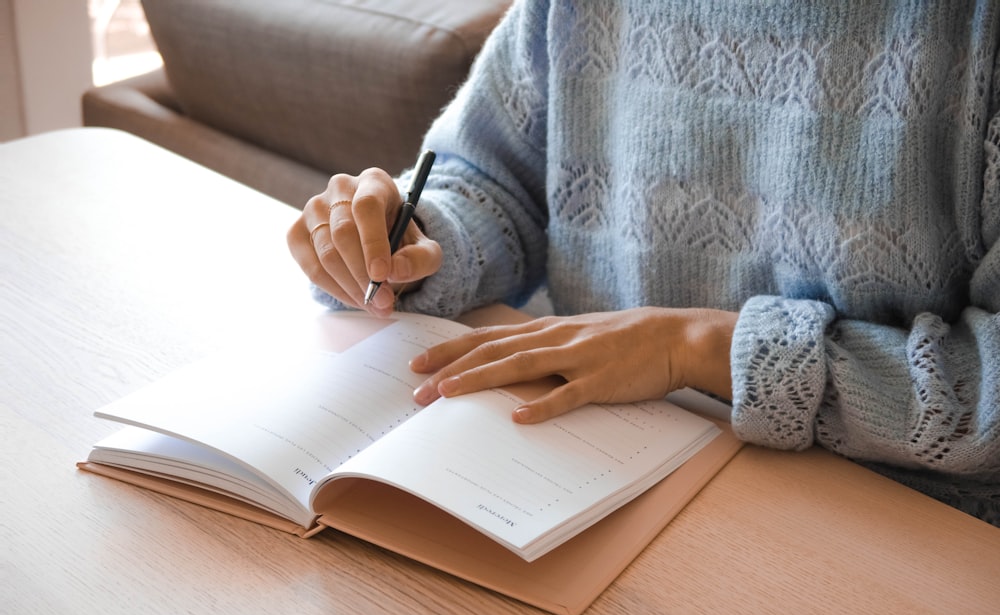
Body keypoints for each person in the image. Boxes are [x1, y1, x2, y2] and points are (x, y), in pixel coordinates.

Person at [288, 0, 999, 526]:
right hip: (584, 473)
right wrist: (415, 240)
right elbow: (496, 182)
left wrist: (697, 347)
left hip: (893, 523)